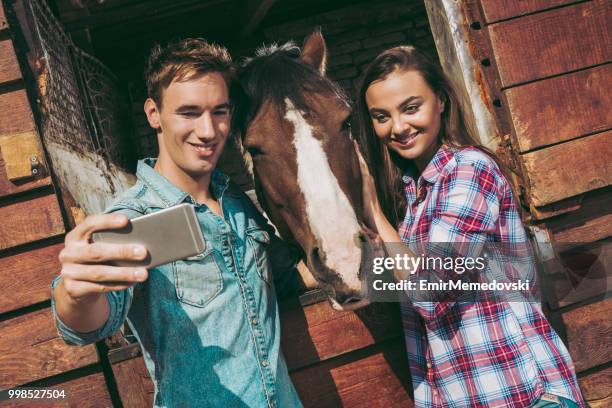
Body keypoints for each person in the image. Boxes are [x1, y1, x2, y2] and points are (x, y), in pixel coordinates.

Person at [51, 38, 303, 408]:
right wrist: (76, 293)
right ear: (154, 114)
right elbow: (86, 324)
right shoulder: (130, 218)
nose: (209, 131)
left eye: (220, 111)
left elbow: (285, 276)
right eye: (189, 113)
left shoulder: (234, 200)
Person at [355, 46, 585, 407]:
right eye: (381, 116)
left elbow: (430, 294)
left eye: (411, 107)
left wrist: (375, 215)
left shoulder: (469, 171)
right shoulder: (412, 198)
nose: (397, 127)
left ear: (442, 101)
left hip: (524, 395)